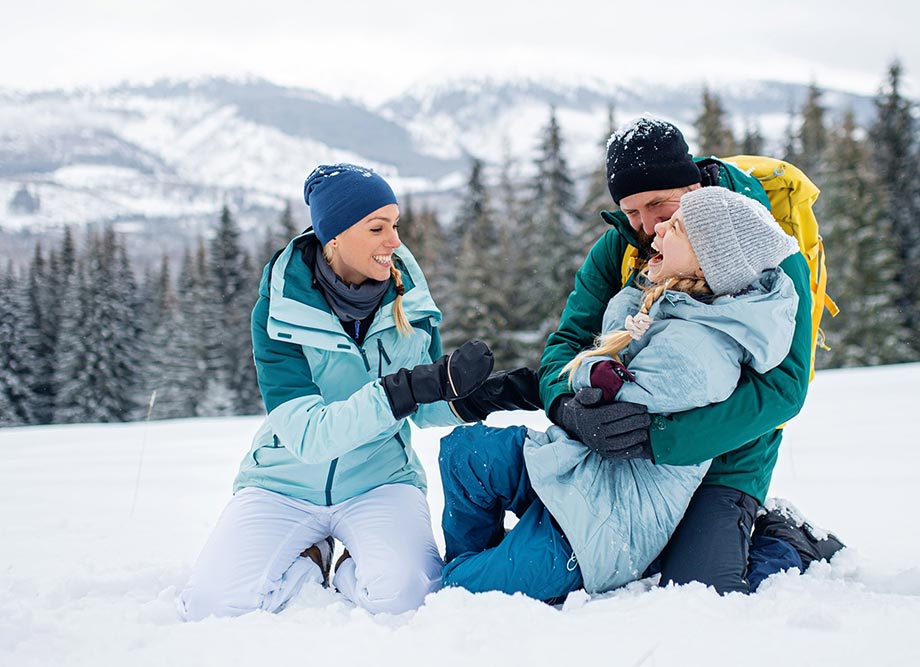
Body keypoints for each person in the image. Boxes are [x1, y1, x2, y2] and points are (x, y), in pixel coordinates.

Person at [178, 163, 534, 620]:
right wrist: (408, 387)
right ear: (335, 236)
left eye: (396, 225)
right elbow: (308, 436)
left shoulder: (409, 299)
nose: (395, 242)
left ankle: (350, 568)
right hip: (281, 484)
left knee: (406, 598)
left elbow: (422, 409)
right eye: (377, 228)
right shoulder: (280, 311)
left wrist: (486, 397)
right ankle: (313, 557)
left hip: (380, 478)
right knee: (211, 606)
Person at [439, 187, 800, 600]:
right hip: (576, 471)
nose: (656, 228)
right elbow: (580, 348)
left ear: (707, 264)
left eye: (675, 226)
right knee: (464, 452)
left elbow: (605, 395)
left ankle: (783, 540)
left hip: (606, 523)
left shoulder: (697, 351)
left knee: (459, 593)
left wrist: (581, 373)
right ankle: (483, 562)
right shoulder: (669, 300)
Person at [537, 117, 843, 594]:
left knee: (700, 588)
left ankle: (788, 536)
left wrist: (661, 438)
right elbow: (565, 344)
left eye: (658, 205)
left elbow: (784, 389)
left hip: (731, 449)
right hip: (630, 445)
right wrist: (567, 408)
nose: (646, 226)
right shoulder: (621, 244)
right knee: (611, 559)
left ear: (693, 183)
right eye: (631, 210)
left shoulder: (760, 241)